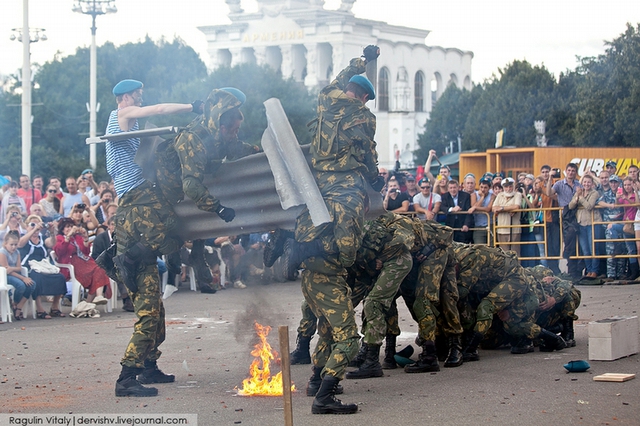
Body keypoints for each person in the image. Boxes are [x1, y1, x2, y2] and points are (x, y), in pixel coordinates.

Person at [265, 46, 382, 415]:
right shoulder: (364, 117)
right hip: (342, 188)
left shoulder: (326, 98)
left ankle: (316, 378)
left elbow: (340, 78)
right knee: (346, 338)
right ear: (363, 97)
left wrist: (361, 61)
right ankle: (324, 396)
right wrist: (373, 177)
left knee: (328, 330)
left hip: (315, 184)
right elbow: (367, 154)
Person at [104, 78, 202, 398]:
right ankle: (127, 378)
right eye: (137, 96)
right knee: (149, 316)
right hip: (135, 201)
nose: (141, 100)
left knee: (156, 313)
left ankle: (148, 366)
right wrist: (192, 107)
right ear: (127, 97)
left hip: (136, 203)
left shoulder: (128, 122)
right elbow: (158, 109)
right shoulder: (122, 113)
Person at [154, 87, 260, 293]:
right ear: (222, 128)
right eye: (234, 130)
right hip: (170, 179)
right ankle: (173, 257)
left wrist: (256, 151)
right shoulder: (194, 139)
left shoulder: (221, 132)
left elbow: (234, 148)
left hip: (193, 175)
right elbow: (190, 185)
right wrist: (219, 208)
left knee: (200, 213)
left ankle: (198, 258)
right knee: (177, 220)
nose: (236, 133)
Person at [345, 213, 414, 379]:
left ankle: (372, 362)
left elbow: (402, 241)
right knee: (374, 303)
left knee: (373, 303)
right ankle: (370, 352)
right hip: (375, 267)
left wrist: (380, 258)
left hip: (397, 261)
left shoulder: (357, 229)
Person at [18, 215, 67, 319]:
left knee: (60, 277)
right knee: (37, 278)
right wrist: (34, 230)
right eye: (32, 224)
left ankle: (54, 306)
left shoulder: (42, 238)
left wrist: (52, 232)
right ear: (26, 226)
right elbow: (20, 244)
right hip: (30, 267)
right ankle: (40, 309)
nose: (35, 227)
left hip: (43, 265)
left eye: (38, 225)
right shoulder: (24, 237)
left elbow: (51, 243)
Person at [53, 218, 111, 305]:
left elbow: (86, 252)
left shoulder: (77, 237)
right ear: (62, 229)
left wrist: (85, 237)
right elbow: (60, 251)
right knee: (96, 272)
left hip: (84, 262)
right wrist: (68, 237)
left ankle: (97, 297)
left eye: (71, 226)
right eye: (67, 227)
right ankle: (88, 304)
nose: (70, 229)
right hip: (71, 265)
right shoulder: (59, 238)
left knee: (100, 269)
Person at [546, 163, 582, 280]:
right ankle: (570, 268)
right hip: (565, 216)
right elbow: (548, 193)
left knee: (578, 244)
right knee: (569, 239)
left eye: (573, 171)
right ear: (566, 171)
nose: (571, 172)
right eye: (569, 170)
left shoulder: (578, 184)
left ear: (575, 172)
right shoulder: (559, 184)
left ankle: (575, 269)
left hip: (578, 214)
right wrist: (550, 177)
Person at [91, 216, 134, 312]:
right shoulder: (100, 238)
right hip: (103, 265)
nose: (115, 227)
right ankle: (126, 300)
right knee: (119, 271)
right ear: (109, 226)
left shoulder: (123, 237)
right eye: (113, 225)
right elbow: (95, 256)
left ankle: (133, 298)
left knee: (128, 268)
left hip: (119, 263)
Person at [569, 174, 600, 278]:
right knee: (585, 250)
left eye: (589, 182)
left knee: (593, 248)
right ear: (582, 183)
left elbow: (589, 206)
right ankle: (589, 270)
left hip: (592, 223)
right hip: (581, 223)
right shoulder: (579, 192)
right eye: (585, 182)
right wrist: (577, 197)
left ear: (592, 184)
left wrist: (581, 198)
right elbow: (571, 205)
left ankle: (594, 271)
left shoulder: (594, 193)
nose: (586, 184)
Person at [0, 231, 36, 321]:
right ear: (5, 244)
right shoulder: (2, 252)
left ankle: (17, 306)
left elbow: (19, 268)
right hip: (4, 276)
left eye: (15, 245)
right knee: (21, 285)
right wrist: (23, 278)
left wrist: (12, 268)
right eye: (11, 245)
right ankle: (14, 304)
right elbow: (6, 270)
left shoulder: (17, 252)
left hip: (14, 273)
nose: (13, 247)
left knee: (32, 284)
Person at [493, 178, 523, 256]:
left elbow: (517, 207)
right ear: (503, 187)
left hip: (514, 229)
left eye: (510, 186)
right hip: (502, 229)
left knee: (515, 253)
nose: (508, 189)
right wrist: (509, 208)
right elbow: (494, 208)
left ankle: (516, 268)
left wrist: (502, 208)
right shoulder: (500, 195)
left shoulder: (518, 194)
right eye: (506, 187)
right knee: (504, 254)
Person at [468, 177, 495, 245]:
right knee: (479, 247)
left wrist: (475, 208)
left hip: (490, 224)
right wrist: (482, 198)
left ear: (489, 188)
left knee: (491, 247)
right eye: (481, 187)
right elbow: (473, 205)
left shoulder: (492, 196)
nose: (483, 189)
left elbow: (488, 209)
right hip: (478, 226)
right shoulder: (474, 195)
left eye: (485, 187)